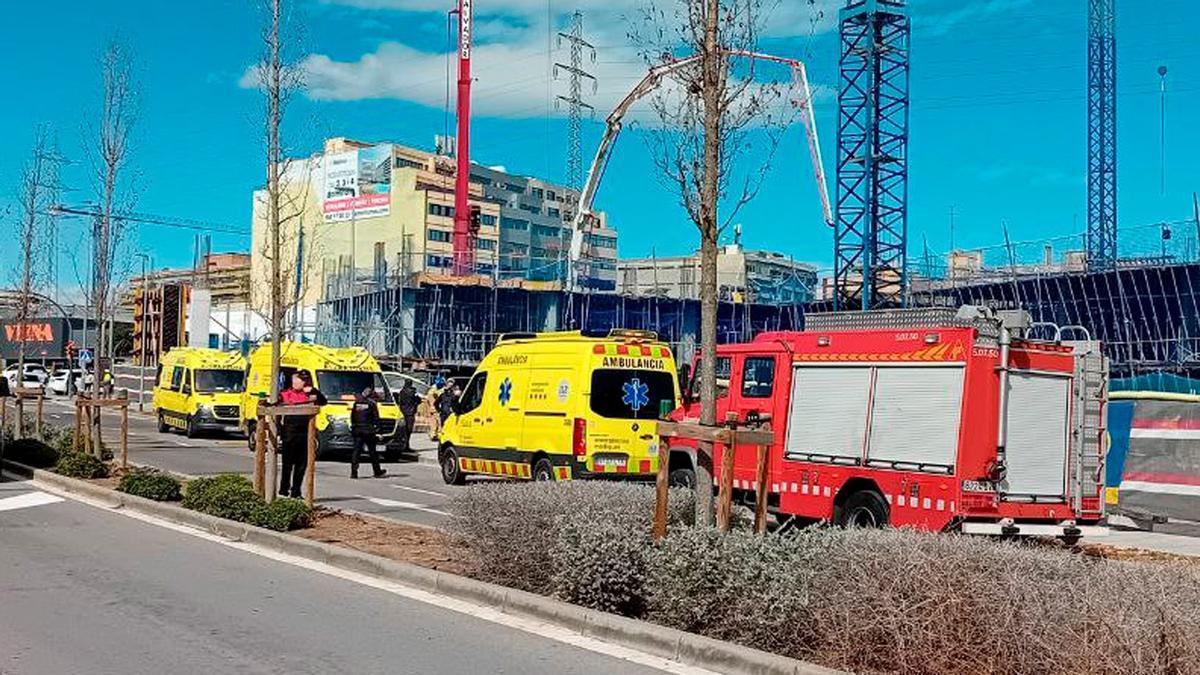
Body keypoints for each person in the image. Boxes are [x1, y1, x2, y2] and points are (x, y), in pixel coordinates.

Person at [277, 370, 327, 498]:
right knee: (287, 464)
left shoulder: (310, 394)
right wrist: (279, 432)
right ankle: (284, 489)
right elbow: (277, 405)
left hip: (305, 433)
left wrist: (313, 391)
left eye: (299, 380)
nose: (296, 382)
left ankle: (296, 491)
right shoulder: (286, 393)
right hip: (290, 433)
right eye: (295, 380)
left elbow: (323, 401)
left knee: (301, 465)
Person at [350, 387, 386, 479]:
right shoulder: (372, 404)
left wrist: (354, 426)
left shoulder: (357, 403)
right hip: (368, 431)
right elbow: (376, 419)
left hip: (357, 430)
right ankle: (377, 471)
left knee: (356, 451)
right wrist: (379, 432)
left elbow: (352, 417)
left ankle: (354, 472)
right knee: (372, 452)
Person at [396, 379, 421, 452]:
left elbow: (400, 402)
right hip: (410, 413)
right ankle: (406, 446)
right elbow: (418, 400)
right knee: (408, 430)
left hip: (403, 412)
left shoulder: (401, 391)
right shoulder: (412, 392)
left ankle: (404, 445)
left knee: (404, 430)